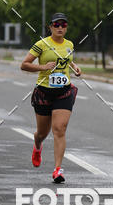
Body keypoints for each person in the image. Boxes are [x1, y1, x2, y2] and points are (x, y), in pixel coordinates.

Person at [20, 13, 82, 184]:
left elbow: (67, 61)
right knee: (42, 133)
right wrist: (42, 67)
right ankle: (38, 145)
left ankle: (57, 170)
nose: (60, 28)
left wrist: (75, 66)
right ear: (50, 27)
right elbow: (24, 64)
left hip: (64, 91)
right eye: (56, 25)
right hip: (44, 92)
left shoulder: (69, 44)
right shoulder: (42, 44)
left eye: (63, 25)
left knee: (59, 129)